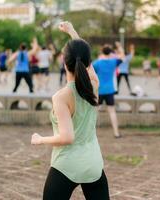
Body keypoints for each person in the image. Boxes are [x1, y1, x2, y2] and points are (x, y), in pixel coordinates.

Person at [31, 21, 110, 200]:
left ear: (64, 62)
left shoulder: (62, 96)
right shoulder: (94, 86)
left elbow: (67, 138)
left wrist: (40, 139)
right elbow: (85, 60)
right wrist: (72, 32)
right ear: (89, 62)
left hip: (67, 165)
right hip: (93, 163)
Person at [93, 45, 123, 138]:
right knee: (112, 112)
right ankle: (116, 133)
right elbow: (122, 56)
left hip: (99, 91)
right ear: (110, 53)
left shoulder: (97, 63)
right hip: (110, 90)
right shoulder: (113, 62)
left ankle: (89, 133)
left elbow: (88, 71)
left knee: (94, 113)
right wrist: (119, 47)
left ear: (102, 52)